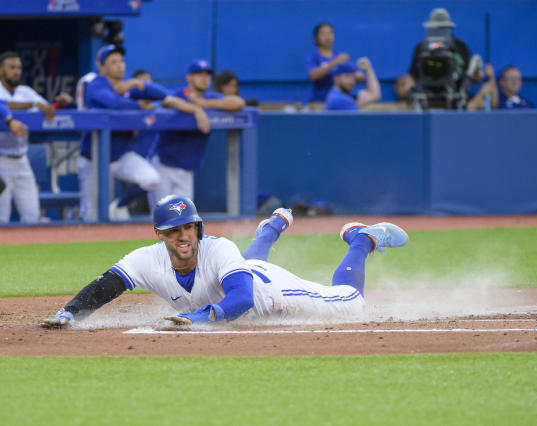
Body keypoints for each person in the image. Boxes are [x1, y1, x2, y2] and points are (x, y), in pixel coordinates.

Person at [41, 195, 408, 327]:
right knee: (243, 262)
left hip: (269, 293)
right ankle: (270, 229)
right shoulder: (145, 259)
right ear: (159, 234)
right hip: (245, 269)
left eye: (189, 227)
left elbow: (244, 299)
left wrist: (199, 318)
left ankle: (363, 240)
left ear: (198, 226)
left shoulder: (217, 248)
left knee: (351, 302)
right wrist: (70, 312)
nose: (183, 236)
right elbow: (108, 284)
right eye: (173, 230)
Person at [78, 45, 211, 221]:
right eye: (113, 62)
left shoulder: (130, 85)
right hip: (93, 159)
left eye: (121, 61)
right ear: (101, 67)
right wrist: (139, 105)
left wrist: (196, 110)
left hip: (121, 156)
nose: (119, 65)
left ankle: (118, 206)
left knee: (151, 179)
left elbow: (168, 97)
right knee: (91, 216)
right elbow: (113, 103)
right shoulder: (96, 84)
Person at [147, 59, 245, 207]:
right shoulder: (179, 94)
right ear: (189, 77)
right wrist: (196, 110)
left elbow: (238, 103)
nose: (204, 78)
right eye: (199, 74)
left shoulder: (211, 98)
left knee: (184, 219)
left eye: (207, 74)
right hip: (164, 165)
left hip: (187, 170)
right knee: (160, 218)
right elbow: (167, 101)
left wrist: (204, 104)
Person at [0, 51, 57, 223]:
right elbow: (4, 104)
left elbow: (47, 108)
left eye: (18, 67)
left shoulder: (26, 91)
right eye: (11, 68)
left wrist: (57, 104)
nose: (16, 71)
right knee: (1, 218)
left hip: (22, 160)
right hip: (1, 162)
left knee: (32, 216)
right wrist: (33, 105)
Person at [306, 23, 363, 102]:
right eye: (323, 34)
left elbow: (359, 76)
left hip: (342, 98)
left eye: (330, 33)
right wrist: (335, 62)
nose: (327, 37)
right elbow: (313, 75)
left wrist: (354, 74)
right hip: (322, 100)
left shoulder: (341, 56)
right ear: (315, 38)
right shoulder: (314, 57)